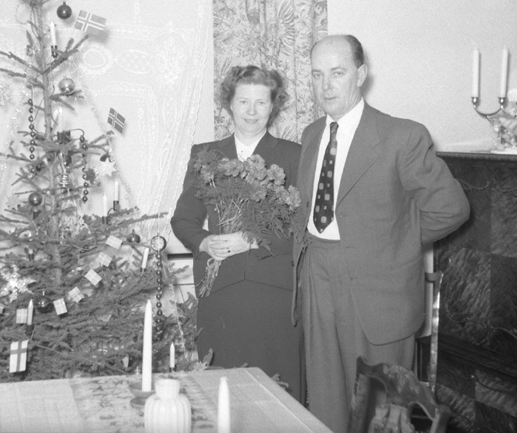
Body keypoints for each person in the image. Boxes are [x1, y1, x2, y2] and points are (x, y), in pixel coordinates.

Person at [292, 35, 470, 432]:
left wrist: (393, 241)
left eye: (337, 73)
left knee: (380, 409)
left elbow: (451, 208)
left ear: (361, 74)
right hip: (317, 275)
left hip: (378, 288)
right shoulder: (310, 135)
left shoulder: (401, 136)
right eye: (317, 75)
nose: (326, 86)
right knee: (325, 401)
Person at [171, 65, 304, 403]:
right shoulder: (206, 155)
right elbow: (183, 220)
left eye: (261, 102)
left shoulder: (294, 155)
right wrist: (204, 241)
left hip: (273, 293)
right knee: (223, 395)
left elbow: (304, 227)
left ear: (273, 105)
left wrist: (252, 239)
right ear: (229, 103)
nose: (252, 111)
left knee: (278, 397)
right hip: (221, 293)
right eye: (243, 101)